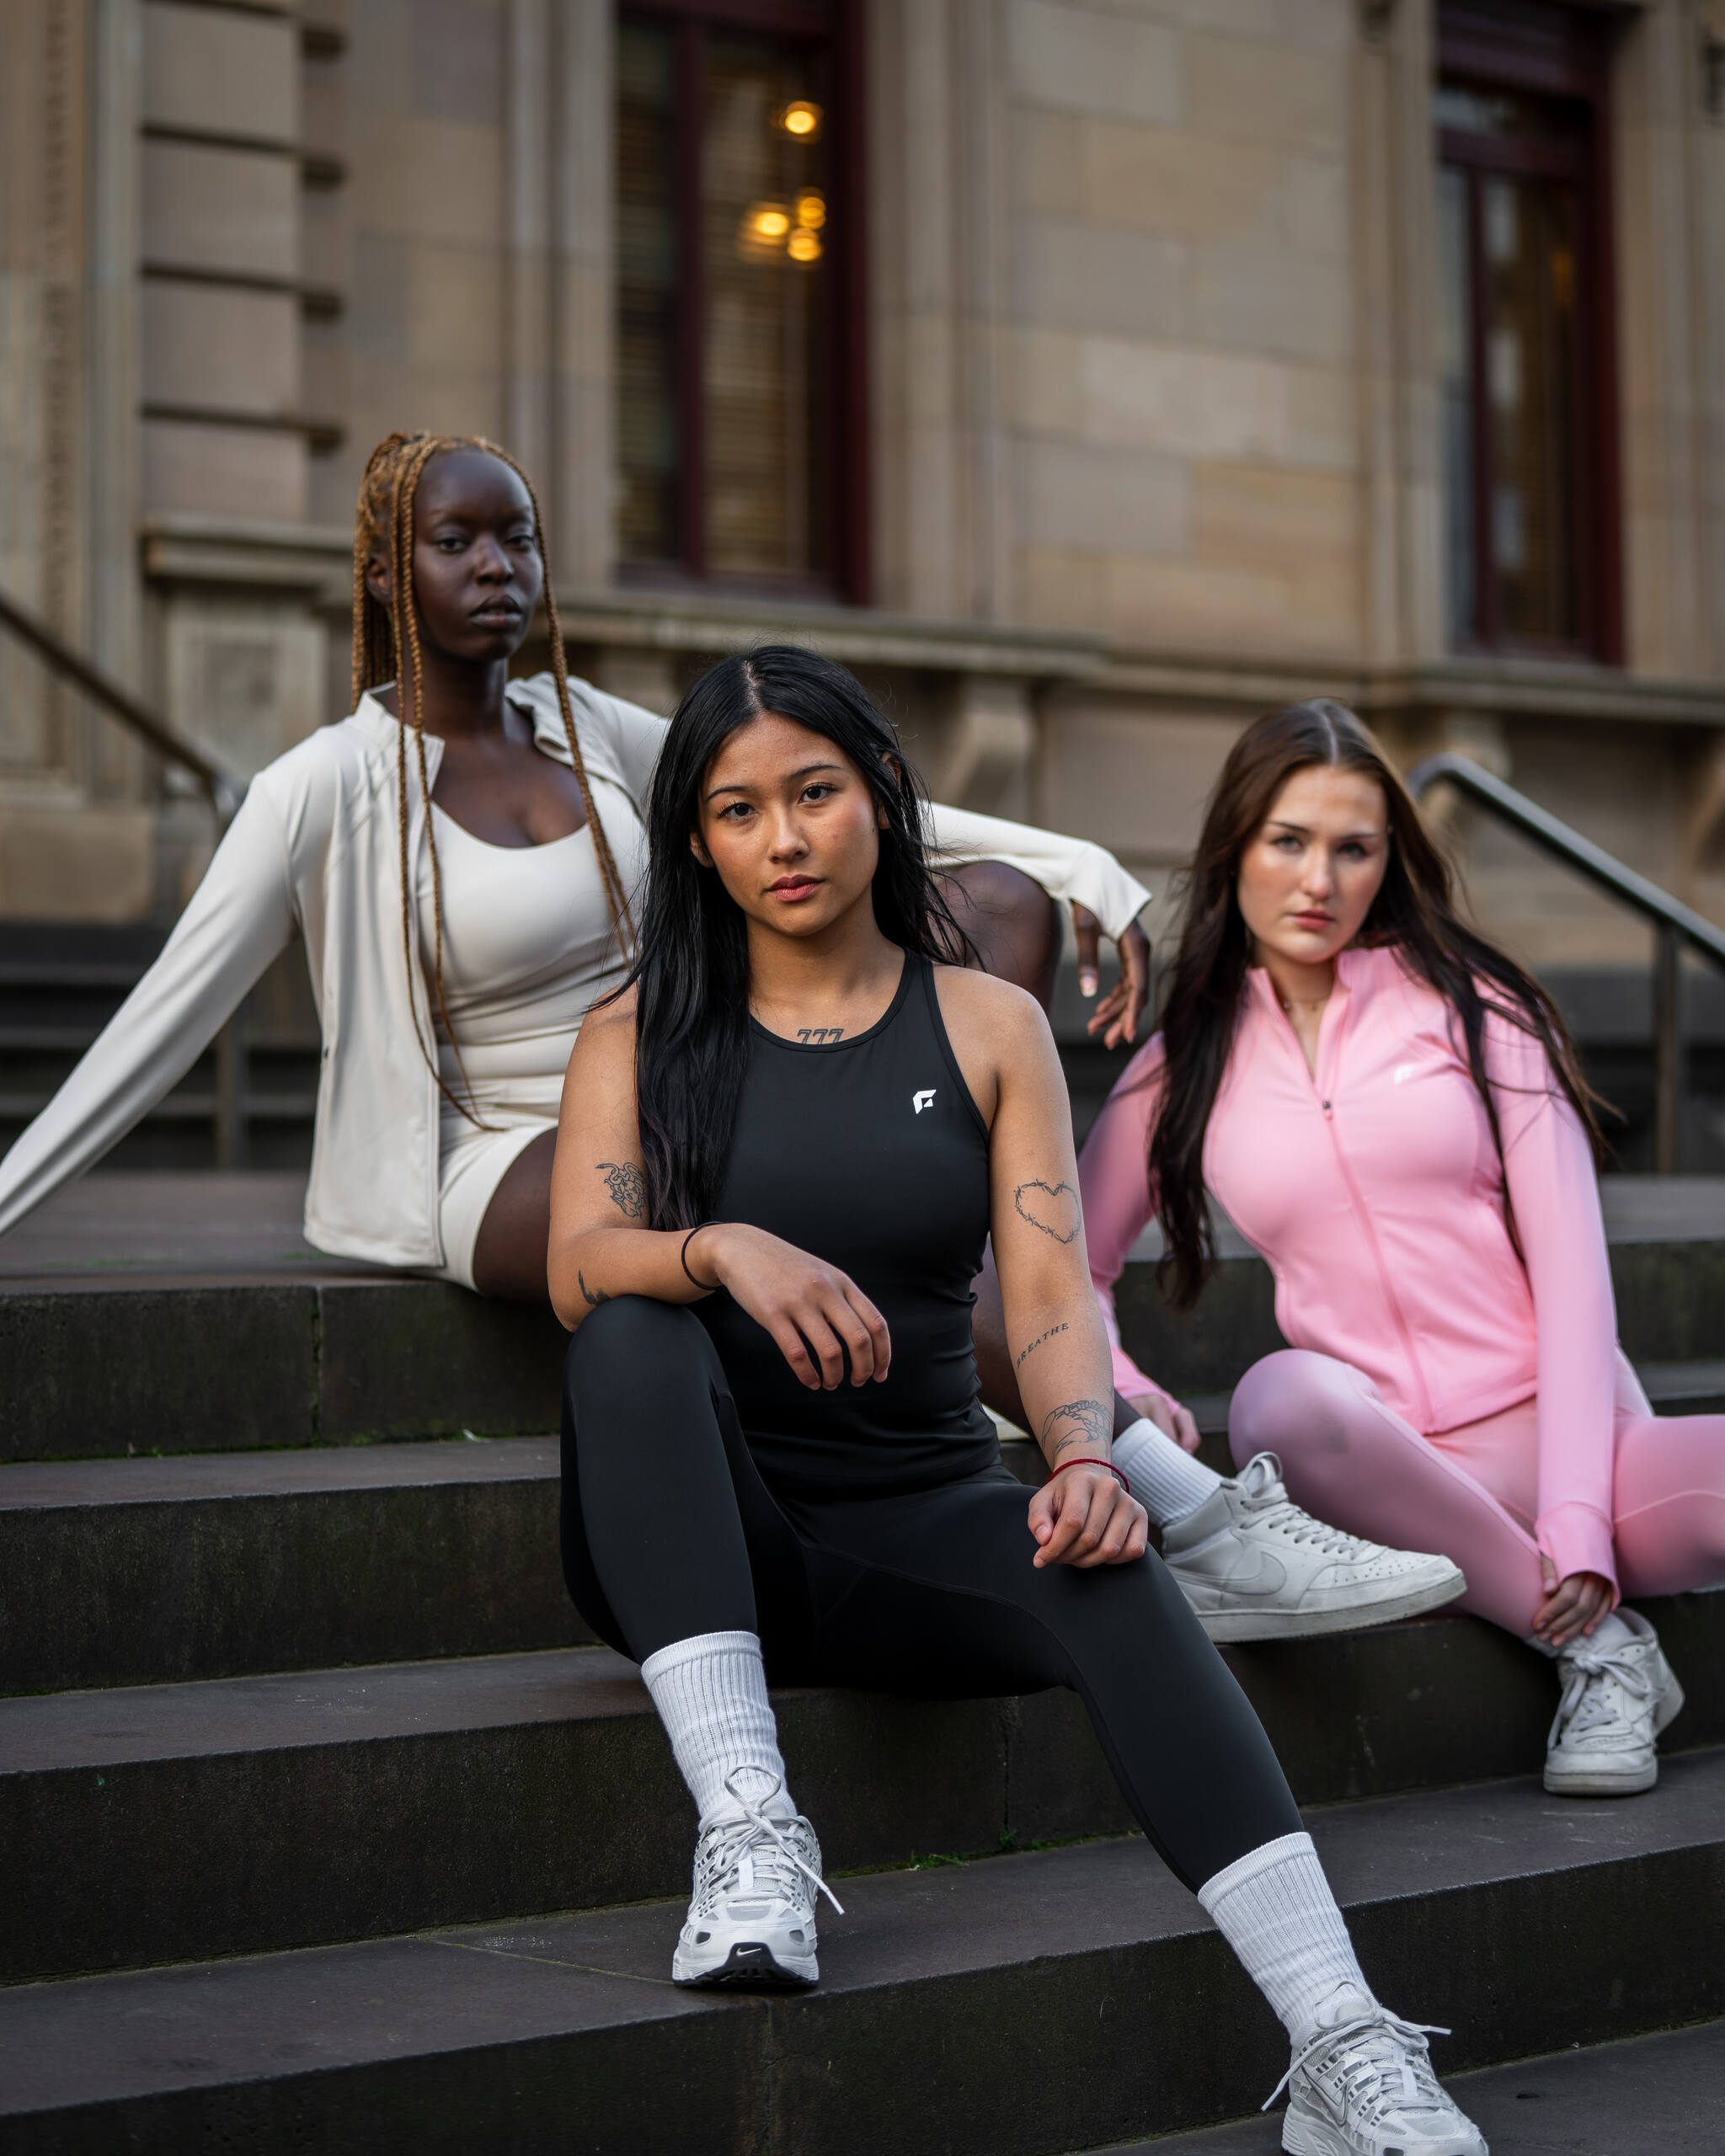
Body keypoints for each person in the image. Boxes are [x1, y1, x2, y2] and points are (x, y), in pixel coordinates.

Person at [547, 648, 1487, 2156]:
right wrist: (719, 1246)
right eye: (737, 811)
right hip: (693, 1540)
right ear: (700, 843)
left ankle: (1341, 2037)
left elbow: (1048, 1294)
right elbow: (578, 1262)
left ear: (881, 795)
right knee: (631, 1335)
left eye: (814, 794)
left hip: (921, 1525)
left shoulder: (985, 1024)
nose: (783, 840)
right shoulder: (640, 1028)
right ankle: (750, 1830)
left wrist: (1081, 1454)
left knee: (1108, 1558)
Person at [0, 431, 1154, 1291]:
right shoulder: (325, 785)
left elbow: (825, 798)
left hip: (687, 1083)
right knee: (746, 1198)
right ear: (386, 576)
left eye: (518, 538)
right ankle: (1099, 1428)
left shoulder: (586, 725)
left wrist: (1076, 865)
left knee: (1002, 908)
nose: (496, 566)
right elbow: (164, 1017)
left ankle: (1003, 1327)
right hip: (491, 1152)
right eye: (455, 542)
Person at [1080, 698, 1725, 1798]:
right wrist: (1130, 1386)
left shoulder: (1479, 1012)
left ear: (1389, 862)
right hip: (1379, 1470)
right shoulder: (1185, 1061)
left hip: (1568, 1443)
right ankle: (1599, 1648)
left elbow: (1575, 1276)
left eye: (1354, 849)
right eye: (1288, 841)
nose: (1318, 881)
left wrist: (1578, 1518)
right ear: (1235, 848)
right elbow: (1068, 1269)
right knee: (1279, 1398)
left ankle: (1568, 1604)